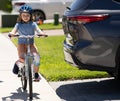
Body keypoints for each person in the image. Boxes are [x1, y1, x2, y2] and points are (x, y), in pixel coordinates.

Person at [8, 5, 46, 82]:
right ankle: (17, 64)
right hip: (21, 44)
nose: (25, 17)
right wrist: (12, 33)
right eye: (23, 15)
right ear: (20, 16)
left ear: (31, 16)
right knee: (22, 59)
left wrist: (42, 33)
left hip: (31, 44)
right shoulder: (18, 24)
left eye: (27, 15)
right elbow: (14, 30)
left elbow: (38, 30)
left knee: (37, 57)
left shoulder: (33, 24)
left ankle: (35, 74)